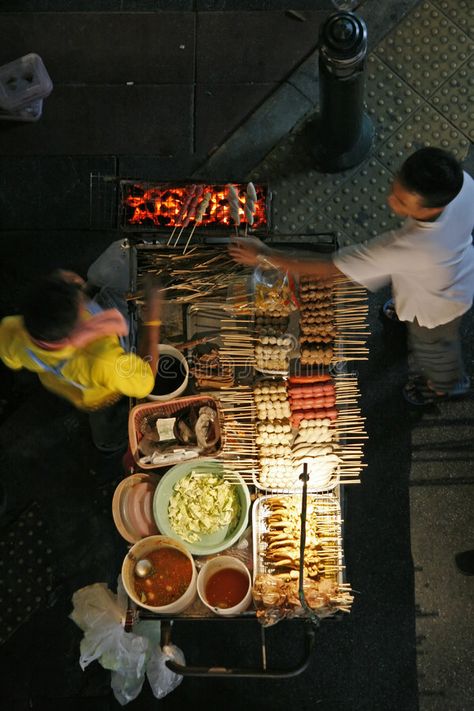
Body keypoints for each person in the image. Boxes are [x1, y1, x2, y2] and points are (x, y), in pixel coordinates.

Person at [229, 147, 474, 406]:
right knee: (406, 305)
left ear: (431, 207)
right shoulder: (463, 185)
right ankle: (404, 315)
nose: (391, 201)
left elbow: (331, 268)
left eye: (401, 202)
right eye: (395, 189)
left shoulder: (408, 247)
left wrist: (265, 254)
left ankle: (446, 385)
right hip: (447, 268)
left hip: (440, 305)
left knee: (434, 347)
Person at [0, 265, 161, 452]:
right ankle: (107, 443)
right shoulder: (103, 361)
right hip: (100, 397)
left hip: (60, 382)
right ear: (78, 328)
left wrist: (59, 284)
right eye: (81, 302)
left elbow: (12, 360)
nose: (83, 298)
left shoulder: (11, 330)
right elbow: (146, 380)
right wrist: (153, 320)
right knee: (106, 421)